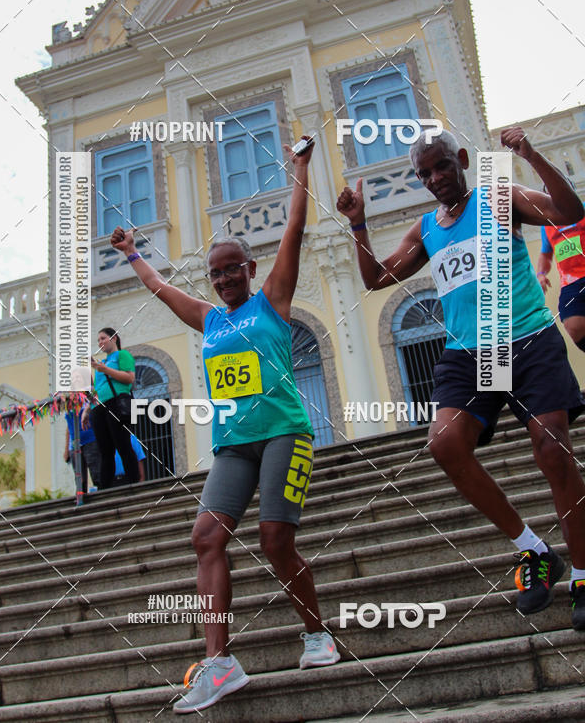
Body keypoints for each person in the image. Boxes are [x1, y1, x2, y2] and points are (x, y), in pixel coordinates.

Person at [109, 135, 339, 714]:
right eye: (215, 273)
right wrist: (134, 252)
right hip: (234, 447)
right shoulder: (209, 319)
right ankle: (219, 664)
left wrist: (301, 170)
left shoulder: (273, 301)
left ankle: (316, 634)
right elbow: (163, 291)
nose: (224, 279)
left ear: (250, 268)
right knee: (205, 537)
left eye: (232, 269)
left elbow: (293, 231)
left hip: (286, 432)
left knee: (274, 541)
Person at [337, 126, 585, 630]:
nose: (435, 178)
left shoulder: (499, 198)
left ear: (464, 160)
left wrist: (531, 155)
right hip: (470, 354)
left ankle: (583, 571)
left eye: (442, 166)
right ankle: (534, 552)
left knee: (551, 448)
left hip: (527, 339)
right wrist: (358, 227)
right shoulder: (427, 228)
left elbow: (569, 213)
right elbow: (376, 279)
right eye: (425, 173)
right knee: (446, 444)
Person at [86, 328, 140, 489]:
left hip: (117, 403)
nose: (100, 342)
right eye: (98, 340)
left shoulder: (122, 355)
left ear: (114, 338)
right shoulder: (102, 364)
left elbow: (129, 378)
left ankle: (134, 483)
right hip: (99, 407)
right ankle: (105, 488)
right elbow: (98, 389)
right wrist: (87, 410)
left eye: (103, 338)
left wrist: (104, 369)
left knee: (122, 444)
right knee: (104, 450)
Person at [536, 191, 585, 353]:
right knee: (572, 324)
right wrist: (541, 274)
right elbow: (545, 254)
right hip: (571, 282)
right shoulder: (548, 225)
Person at [64, 403, 101, 493]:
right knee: (80, 479)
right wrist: (66, 449)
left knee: (96, 473)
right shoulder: (66, 402)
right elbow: (68, 428)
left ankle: (102, 497)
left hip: (90, 440)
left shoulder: (86, 399)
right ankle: (81, 501)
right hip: (74, 445)